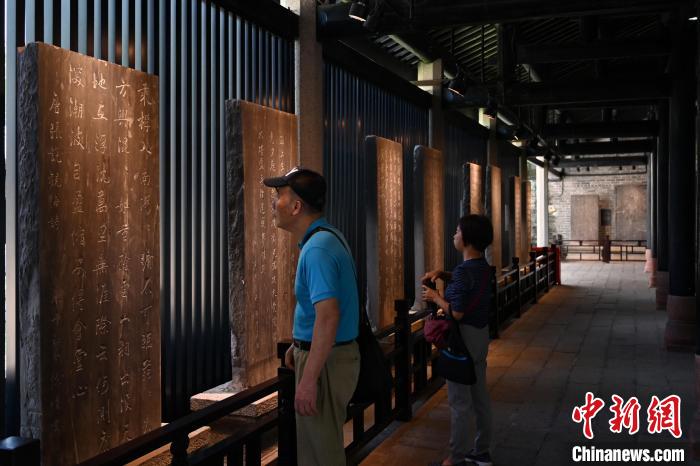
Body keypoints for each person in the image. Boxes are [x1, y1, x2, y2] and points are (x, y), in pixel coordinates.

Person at [263, 166, 360, 466]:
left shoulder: (317, 249)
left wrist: (308, 380)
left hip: (326, 363)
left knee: (320, 455)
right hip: (327, 355)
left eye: (279, 195)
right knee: (317, 448)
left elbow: (328, 317)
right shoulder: (326, 237)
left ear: (296, 206)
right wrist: (300, 343)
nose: (274, 203)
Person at [421, 214, 495, 466]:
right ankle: (482, 451)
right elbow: (469, 285)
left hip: (462, 339)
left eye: (457, 231)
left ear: (467, 239)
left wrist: (435, 297)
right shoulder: (482, 267)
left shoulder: (465, 271)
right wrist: (444, 274)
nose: (454, 235)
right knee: (480, 396)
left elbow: (458, 312)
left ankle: (457, 456)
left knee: (459, 401)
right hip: (480, 336)